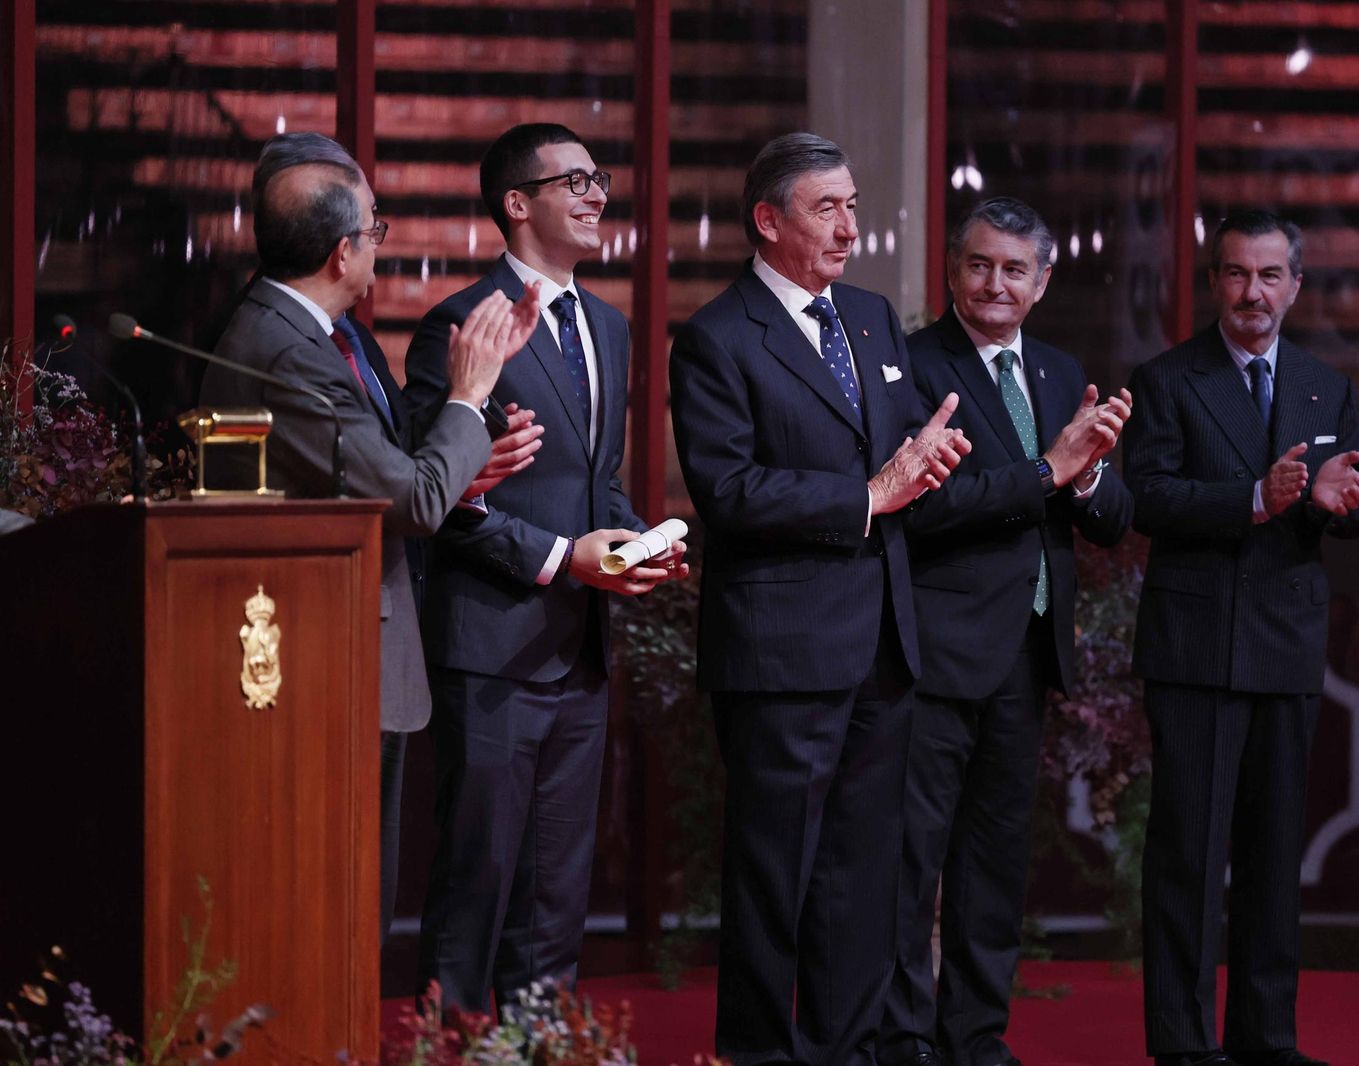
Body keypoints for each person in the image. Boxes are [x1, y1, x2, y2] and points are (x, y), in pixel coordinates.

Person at [670, 131, 970, 1066]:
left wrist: (924, 466)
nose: (850, 226)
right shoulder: (716, 337)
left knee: (861, 876)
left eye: (852, 204)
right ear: (768, 221)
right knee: (774, 873)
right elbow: (727, 491)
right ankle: (760, 1054)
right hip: (780, 649)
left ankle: (846, 1049)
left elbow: (894, 461)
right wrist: (868, 496)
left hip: (882, 643)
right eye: (826, 208)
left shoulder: (873, 318)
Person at [198, 132, 542, 940]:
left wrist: (468, 455)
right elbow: (411, 498)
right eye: (376, 230)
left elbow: (390, 476)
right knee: (338, 908)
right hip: (329, 659)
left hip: (352, 653)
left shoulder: (321, 335)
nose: (379, 245)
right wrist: (467, 396)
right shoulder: (286, 351)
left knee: (358, 903)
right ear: (342, 250)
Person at [403, 122, 687, 1013]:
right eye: (575, 181)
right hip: (491, 650)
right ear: (518, 204)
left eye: (599, 179)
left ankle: (539, 1043)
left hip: (580, 651)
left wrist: (637, 544)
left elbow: (595, 479)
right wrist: (568, 559)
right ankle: (445, 1042)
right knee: (475, 881)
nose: (598, 194)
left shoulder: (609, 324)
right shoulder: (461, 322)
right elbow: (445, 501)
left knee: (558, 893)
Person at [879, 197, 1134, 1066]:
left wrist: (1089, 477)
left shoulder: (1063, 373)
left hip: (1027, 660)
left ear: (1043, 281)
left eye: (1014, 269)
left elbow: (1105, 518)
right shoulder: (911, 366)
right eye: (979, 265)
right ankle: (904, 1037)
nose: (994, 284)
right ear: (952, 270)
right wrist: (1046, 469)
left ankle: (976, 1036)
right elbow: (924, 507)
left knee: (994, 865)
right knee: (912, 864)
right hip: (935, 656)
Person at [1124, 209, 1359, 1066]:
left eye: (1270, 276)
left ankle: (1267, 1040)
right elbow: (1147, 499)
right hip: (1196, 650)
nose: (1253, 293)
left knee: (1274, 862)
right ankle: (1186, 1047)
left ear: (1295, 286)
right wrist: (1257, 499)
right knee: (1189, 859)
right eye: (1236, 274)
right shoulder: (1165, 380)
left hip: (1286, 647)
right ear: (1213, 282)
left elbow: (1342, 509)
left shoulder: (1324, 385)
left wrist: (1340, 506)